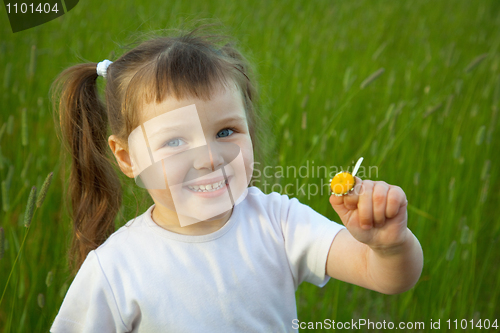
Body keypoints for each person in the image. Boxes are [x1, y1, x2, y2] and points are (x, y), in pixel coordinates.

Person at [49, 24, 423, 332]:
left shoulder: (277, 222)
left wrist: (389, 246)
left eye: (226, 132)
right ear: (128, 158)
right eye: (175, 141)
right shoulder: (116, 269)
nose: (210, 159)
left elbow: (386, 276)